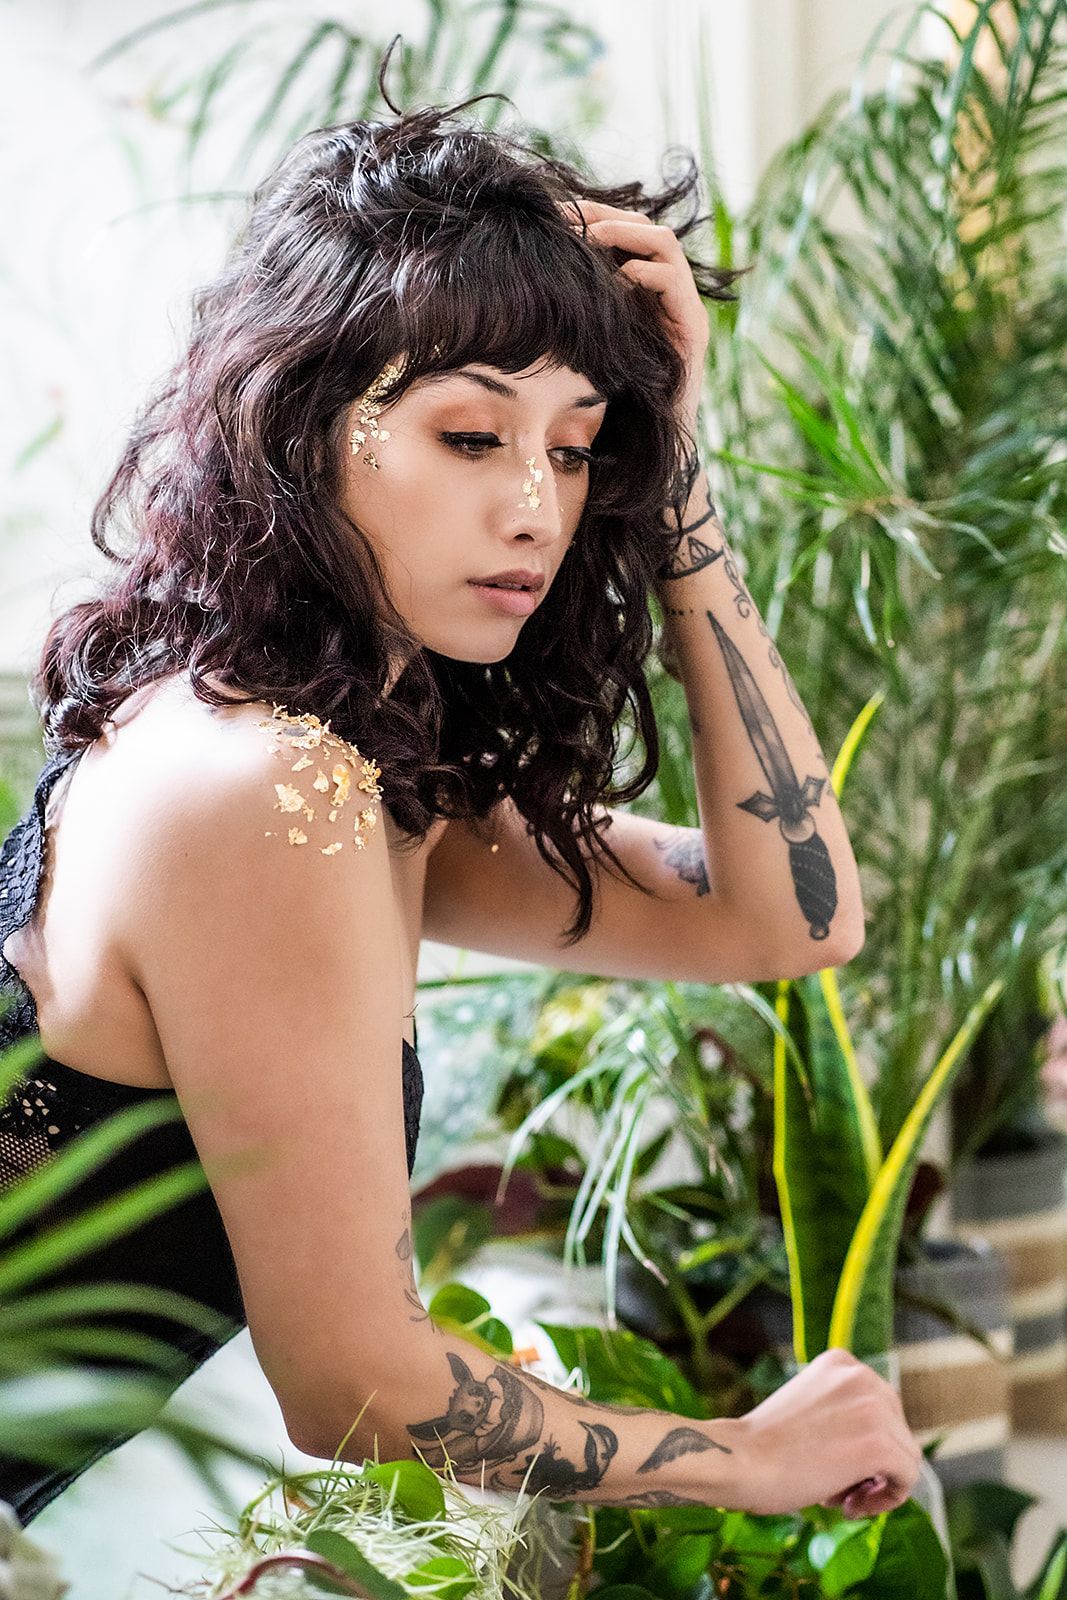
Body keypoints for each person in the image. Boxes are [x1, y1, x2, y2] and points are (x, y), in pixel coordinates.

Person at [0, 46, 920, 1529]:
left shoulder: (346, 756)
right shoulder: (264, 784)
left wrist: (680, 487)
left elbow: (786, 921)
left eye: (576, 446)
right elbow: (353, 1379)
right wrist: (747, 1457)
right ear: (306, 422)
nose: (534, 507)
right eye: (470, 433)